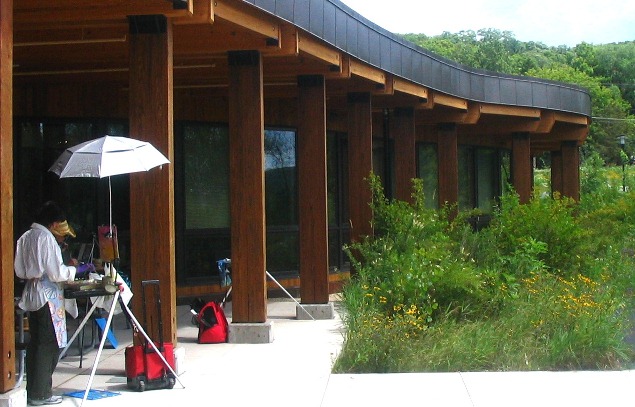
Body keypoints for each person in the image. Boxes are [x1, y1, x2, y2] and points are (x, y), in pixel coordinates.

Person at [14, 201, 94, 406]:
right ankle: (41, 394)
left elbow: (21, 269)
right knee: (47, 345)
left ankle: (35, 389)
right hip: (46, 296)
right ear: (53, 223)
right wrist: (76, 270)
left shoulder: (26, 237)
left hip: (32, 293)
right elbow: (57, 273)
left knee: (37, 344)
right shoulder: (45, 238)